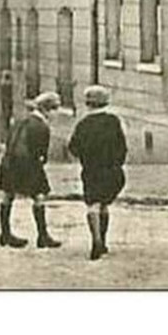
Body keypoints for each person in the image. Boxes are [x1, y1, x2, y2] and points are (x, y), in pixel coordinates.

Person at [67, 85, 127, 260]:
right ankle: (104, 241)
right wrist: (117, 163)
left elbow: (73, 148)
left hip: (91, 170)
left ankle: (96, 241)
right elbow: (122, 147)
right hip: (111, 170)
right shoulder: (113, 121)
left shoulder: (83, 125)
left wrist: (85, 157)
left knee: (93, 204)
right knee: (104, 205)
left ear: (88, 104)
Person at [0, 90, 62, 249]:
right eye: (55, 109)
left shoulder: (20, 120)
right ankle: (42, 235)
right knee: (39, 197)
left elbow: (8, 140)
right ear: (47, 109)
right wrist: (40, 163)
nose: (56, 114)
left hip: (7, 162)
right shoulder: (41, 126)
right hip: (28, 165)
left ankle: (5, 234)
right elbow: (41, 153)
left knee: (7, 196)